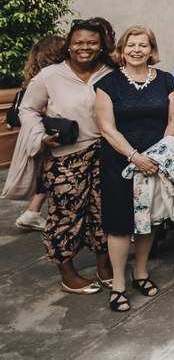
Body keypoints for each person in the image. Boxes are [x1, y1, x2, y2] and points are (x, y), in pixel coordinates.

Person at [18, 19, 115, 294]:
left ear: (102, 45)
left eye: (92, 42)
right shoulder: (50, 75)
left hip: (105, 154)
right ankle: (68, 273)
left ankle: (104, 265)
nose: (85, 47)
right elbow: (27, 109)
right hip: (65, 157)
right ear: (68, 45)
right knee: (65, 215)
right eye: (78, 42)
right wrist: (39, 137)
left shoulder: (110, 72)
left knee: (103, 213)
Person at [94, 26, 174, 311]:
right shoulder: (108, 84)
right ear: (122, 49)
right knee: (119, 224)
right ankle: (118, 283)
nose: (137, 50)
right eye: (131, 45)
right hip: (119, 163)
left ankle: (140, 271)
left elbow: (172, 120)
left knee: (149, 219)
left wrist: (157, 155)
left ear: (151, 50)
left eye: (143, 45)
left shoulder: (166, 80)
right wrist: (134, 157)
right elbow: (107, 128)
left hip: (154, 163)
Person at [11, 35, 64, 231]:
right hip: (49, 134)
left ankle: (32, 212)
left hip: (46, 133)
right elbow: (28, 109)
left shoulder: (38, 76)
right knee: (49, 174)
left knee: (46, 174)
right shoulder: (47, 78)